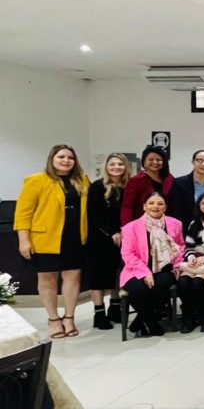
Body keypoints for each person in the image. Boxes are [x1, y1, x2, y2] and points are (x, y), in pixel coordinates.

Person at [15, 144, 90, 339]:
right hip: (45, 238)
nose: (66, 160)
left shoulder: (81, 180)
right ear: (52, 159)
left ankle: (69, 317)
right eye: (61, 157)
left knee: (73, 277)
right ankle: (53, 319)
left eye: (70, 157)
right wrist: (24, 240)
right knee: (47, 279)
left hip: (74, 237)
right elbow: (23, 213)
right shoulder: (36, 180)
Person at [119, 192, 184, 337]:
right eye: (151, 203)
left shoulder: (175, 224)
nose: (155, 206)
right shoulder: (130, 228)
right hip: (135, 269)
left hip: (165, 269)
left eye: (160, 203)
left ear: (165, 207)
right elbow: (128, 254)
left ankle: (140, 320)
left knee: (162, 284)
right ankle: (151, 322)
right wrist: (145, 273)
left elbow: (180, 246)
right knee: (137, 289)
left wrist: (177, 265)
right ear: (144, 206)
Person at [86, 152, 129, 330]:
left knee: (117, 274)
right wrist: (111, 232)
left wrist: (123, 232)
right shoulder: (97, 186)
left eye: (120, 164)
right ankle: (99, 313)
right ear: (106, 166)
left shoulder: (128, 186)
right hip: (100, 238)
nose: (116, 167)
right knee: (98, 276)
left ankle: (115, 307)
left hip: (124, 236)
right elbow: (94, 214)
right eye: (112, 164)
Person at [177, 191, 204, 333]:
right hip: (196, 262)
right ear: (199, 205)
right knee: (183, 281)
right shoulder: (194, 223)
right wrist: (191, 258)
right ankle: (188, 318)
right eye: (203, 203)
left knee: (198, 282)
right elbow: (188, 247)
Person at [121, 145, 173, 225]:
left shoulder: (169, 178)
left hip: (165, 224)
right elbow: (127, 207)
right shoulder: (135, 181)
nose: (155, 162)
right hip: (141, 225)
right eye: (150, 159)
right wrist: (127, 227)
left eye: (158, 160)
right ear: (144, 162)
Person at [169, 149, 204, 226]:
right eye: (200, 160)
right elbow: (176, 211)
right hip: (192, 227)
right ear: (193, 162)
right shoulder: (180, 183)